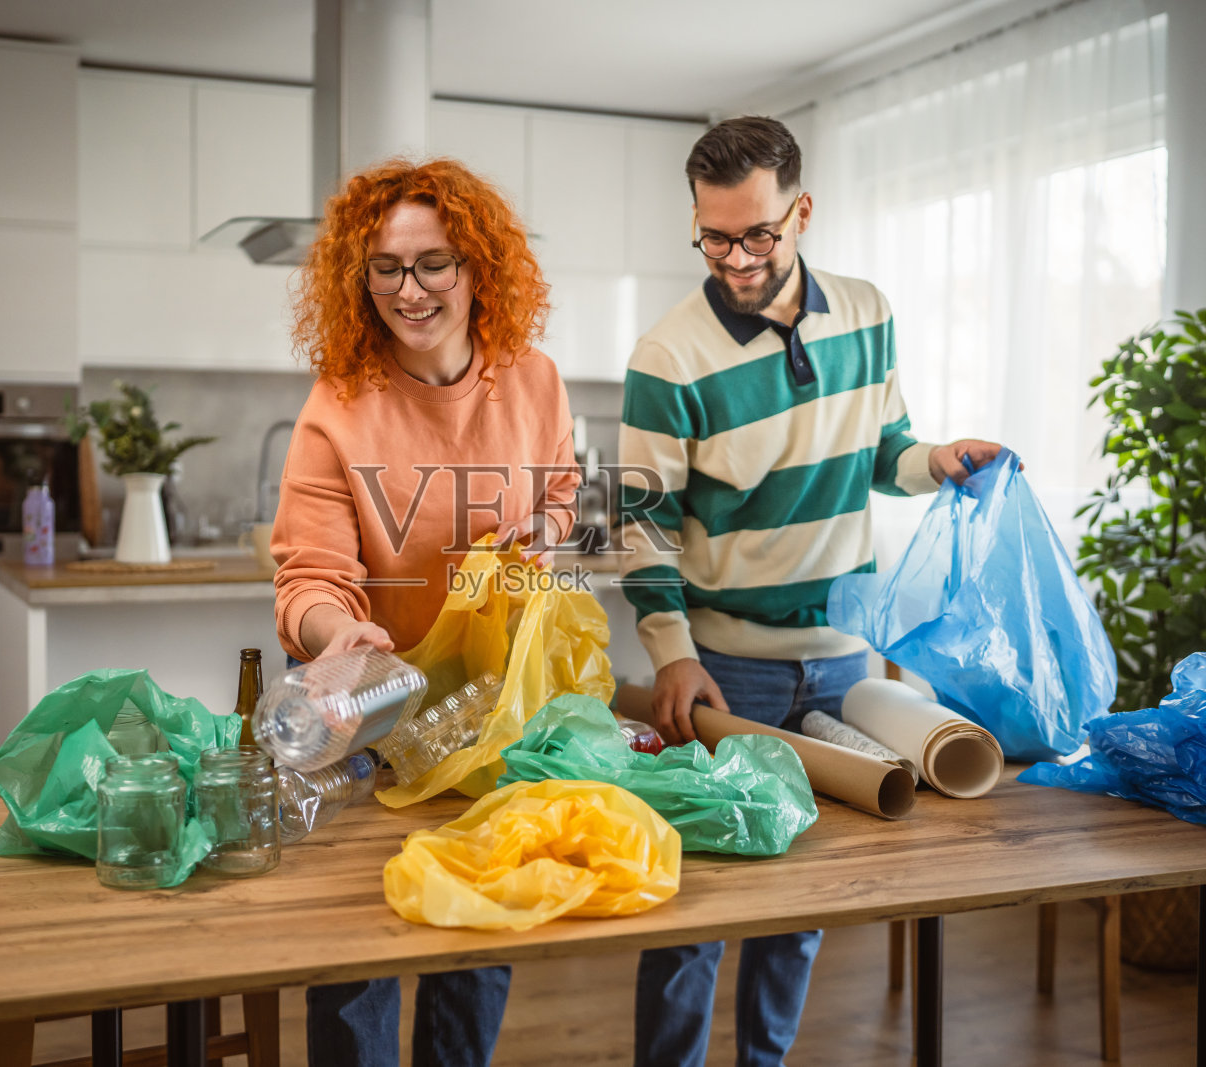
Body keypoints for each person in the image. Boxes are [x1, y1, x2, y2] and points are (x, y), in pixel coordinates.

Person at [617, 115, 1005, 1066]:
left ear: (803, 211)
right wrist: (672, 655)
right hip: (726, 672)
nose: (737, 258)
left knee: (804, 903)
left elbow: (884, 453)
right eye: (714, 235)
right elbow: (637, 520)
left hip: (840, 660)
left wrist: (938, 460)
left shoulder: (869, 312)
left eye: (759, 234)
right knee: (695, 905)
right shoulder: (667, 357)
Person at [271, 156, 580, 1067]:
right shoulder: (339, 405)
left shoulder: (536, 381)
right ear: (359, 280)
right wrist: (342, 637)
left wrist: (549, 527)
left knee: (474, 941)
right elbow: (310, 577)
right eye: (386, 267)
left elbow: (563, 490)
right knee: (358, 949)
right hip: (372, 717)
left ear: (477, 266)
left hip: (490, 716)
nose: (411, 289)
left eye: (435, 262)